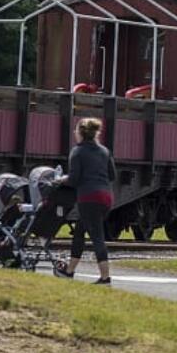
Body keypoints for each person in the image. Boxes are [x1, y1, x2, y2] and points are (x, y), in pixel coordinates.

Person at [55, 117, 117, 284]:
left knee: (97, 236)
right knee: (80, 233)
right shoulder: (105, 151)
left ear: (80, 133)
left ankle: (105, 278)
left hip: (89, 197)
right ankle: (69, 271)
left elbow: (74, 180)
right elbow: (112, 175)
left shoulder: (77, 151)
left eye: (76, 130)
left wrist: (61, 180)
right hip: (106, 197)